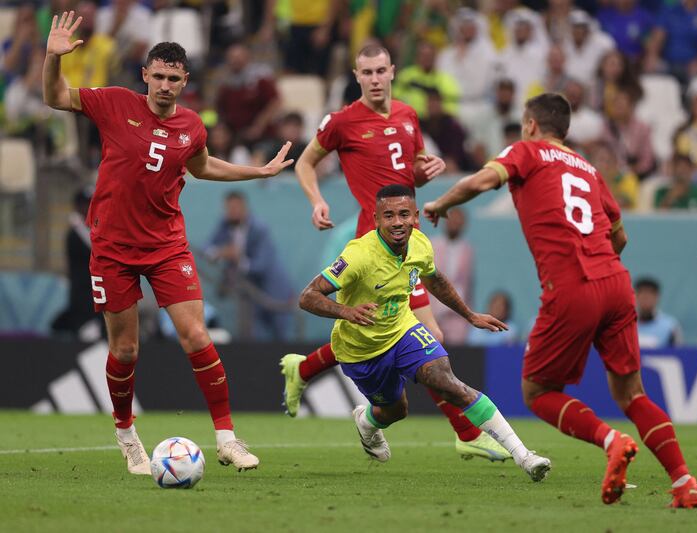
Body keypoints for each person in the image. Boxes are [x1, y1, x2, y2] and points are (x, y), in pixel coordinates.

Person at [423, 93, 697, 508]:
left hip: (572, 286)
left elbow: (483, 180)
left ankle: (611, 441)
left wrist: (441, 202)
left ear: (532, 125)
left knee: (537, 390)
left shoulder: (527, 151)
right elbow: (620, 236)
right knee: (632, 393)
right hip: (616, 281)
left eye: (524, 123)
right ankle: (684, 484)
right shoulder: (590, 169)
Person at [42, 12, 294, 475]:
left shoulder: (192, 125)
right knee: (125, 351)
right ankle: (125, 433)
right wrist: (52, 59)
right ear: (145, 75)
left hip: (166, 246)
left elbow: (201, 167)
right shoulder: (114, 103)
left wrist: (255, 171)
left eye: (173, 78)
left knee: (196, 335)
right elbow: (55, 96)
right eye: (157, 76)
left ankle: (227, 439)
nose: (164, 85)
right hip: (113, 246)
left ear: (184, 81)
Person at [281, 44, 511, 462]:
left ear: (392, 72)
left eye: (380, 71)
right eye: (366, 72)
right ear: (356, 75)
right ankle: (465, 431)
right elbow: (304, 163)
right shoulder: (343, 121)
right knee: (426, 337)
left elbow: (408, 172)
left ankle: (304, 368)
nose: (374, 78)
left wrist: (425, 170)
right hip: (373, 246)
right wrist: (316, 200)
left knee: (392, 332)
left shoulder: (407, 115)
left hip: (408, 242)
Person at [298, 184, 551, 479]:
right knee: (396, 411)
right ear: (376, 219)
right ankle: (367, 422)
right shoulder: (358, 255)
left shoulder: (420, 243)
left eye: (404, 214)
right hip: (361, 350)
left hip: (403, 331)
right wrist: (346, 311)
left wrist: (470, 315)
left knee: (448, 382)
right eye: (389, 215)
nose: (397, 222)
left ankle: (525, 457)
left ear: (415, 217)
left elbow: (436, 280)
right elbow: (307, 296)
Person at [204, 191, 294, 341]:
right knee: (253, 338)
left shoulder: (259, 228)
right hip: (250, 295)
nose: (232, 211)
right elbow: (207, 249)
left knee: (281, 338)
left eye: (236, 207)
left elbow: (262, 265)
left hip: (273, 292)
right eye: (229, 208)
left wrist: (239, 259)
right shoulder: (224, 225)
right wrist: (220, 252)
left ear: (244, 207)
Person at [51, 186, 100, 341]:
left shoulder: (95, 231)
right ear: (78, 206)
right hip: (84, 303)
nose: (90, 208)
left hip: (102, 301)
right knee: (90, 340)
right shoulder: (74, 235)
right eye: (86, 203)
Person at [430, 207, 474, 345]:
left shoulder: (467, 250)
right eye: (451, 219)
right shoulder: (432, 244)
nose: (454, 223)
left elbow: (468, 285)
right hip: (433, 311)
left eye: (458, 220)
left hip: (456, 315)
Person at [634, 277, 682, 349]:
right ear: (635, 296)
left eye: (650, 293)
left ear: (657, 297)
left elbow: (678, 354)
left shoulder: (670, 327)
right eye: (642, 293)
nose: (646, 297)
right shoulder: (626, 324)